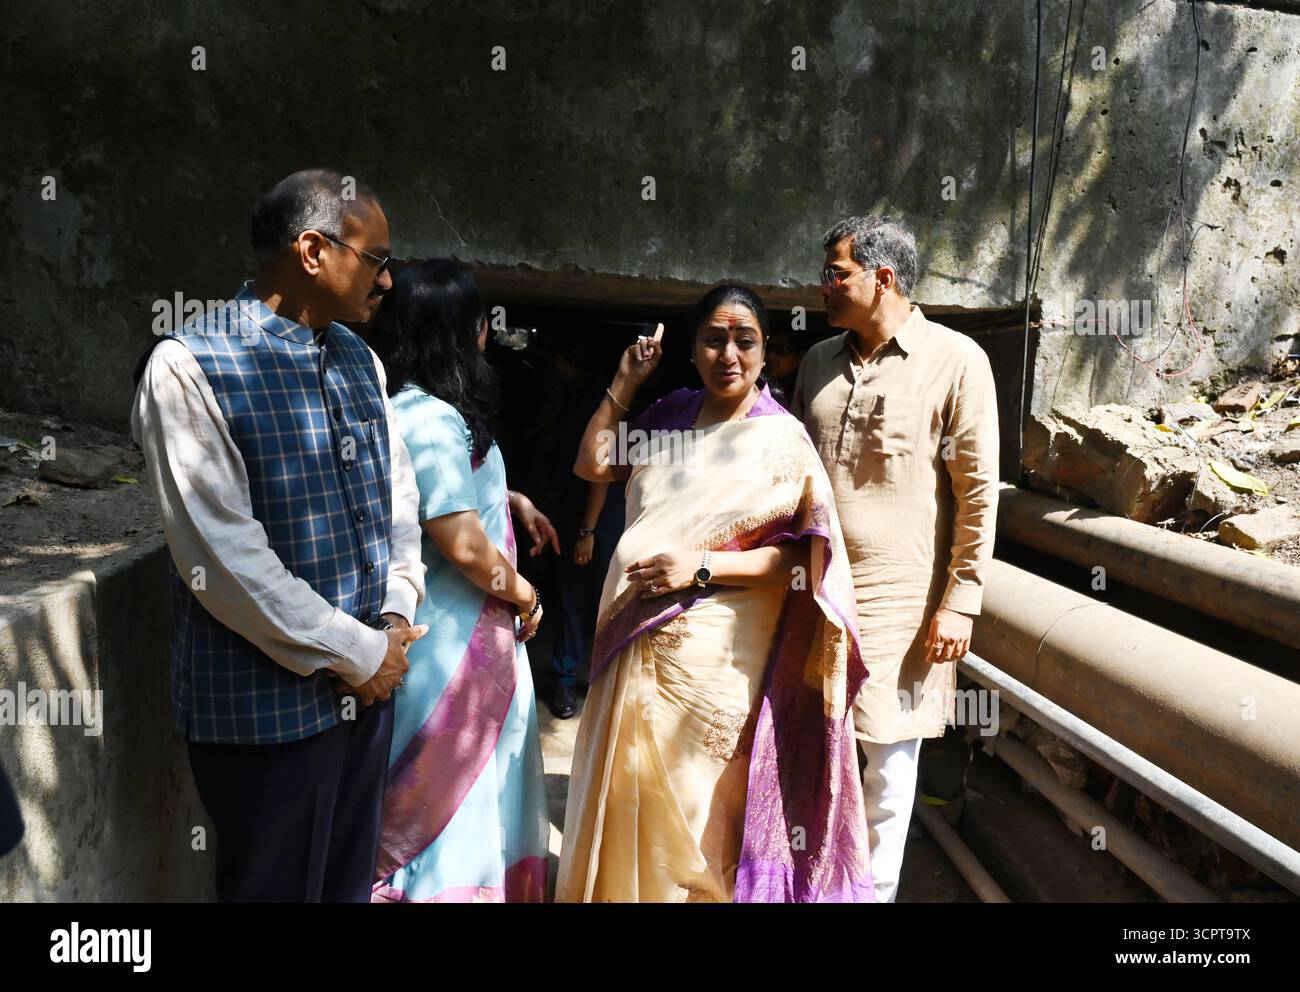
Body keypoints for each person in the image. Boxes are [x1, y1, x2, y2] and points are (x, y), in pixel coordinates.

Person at [131, 169, 427, 902]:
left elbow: (397, 505)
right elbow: (223, 561)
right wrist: (359, 651)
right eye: (378, 259)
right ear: (312, 252)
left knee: (343, 888)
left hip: (364, 699)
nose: (388, 282)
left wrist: (392, 616)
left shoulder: (360, 359)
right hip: (265, 720)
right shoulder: (190, 366)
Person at [556, 285, 874, 903]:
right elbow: (593, 464)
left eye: (745, 340)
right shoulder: (670, 413)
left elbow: (801, 565)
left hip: (721, 663)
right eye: (713, 339)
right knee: (631, 792)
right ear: (693, 349)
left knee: (702, 810)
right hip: (634, 647)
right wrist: (625, 381)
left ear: (764, 352)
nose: (729, 353)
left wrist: (700, 568)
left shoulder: (784, 442)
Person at [792, 216, 999, 903]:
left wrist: (960, 599)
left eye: (835, 273)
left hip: (900, 598)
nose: (822, 285)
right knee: (814, 748)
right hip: (814, 588)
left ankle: (871, 896)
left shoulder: (957, 360)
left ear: (882, 279)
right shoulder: (819, 362)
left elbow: (976, 493)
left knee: (885, 757)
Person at [368, 259, 553, 902]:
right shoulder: (431, 417)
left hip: (465, 642)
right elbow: (463, 545)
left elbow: (445, 497)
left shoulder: (421, 409)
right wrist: (526, 595)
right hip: (450, 647)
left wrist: (514, 498)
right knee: (448, 801)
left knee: (470, 792)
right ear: (473, 331)